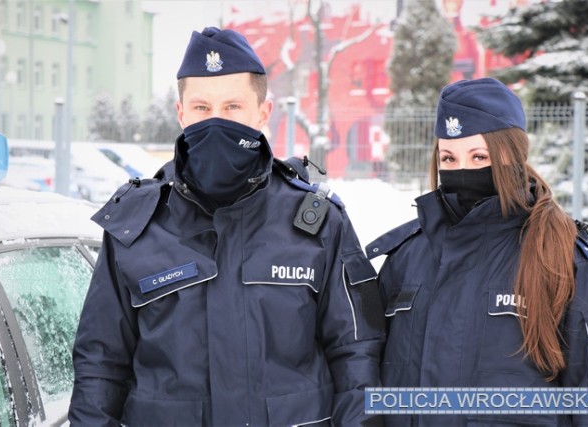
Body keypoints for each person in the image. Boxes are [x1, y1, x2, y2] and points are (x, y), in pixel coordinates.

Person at [68, 27, 385, 426]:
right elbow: (100, 364)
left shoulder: (319, 222)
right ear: (181, 112)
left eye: (232, 106)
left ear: (263, 113)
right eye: (202, 108)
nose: (216, 122)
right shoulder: (136, 229)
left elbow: (357, 355)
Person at [366, 77, 588, 426]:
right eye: (449, 158)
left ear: (513, 156)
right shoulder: (406, 257)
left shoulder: (562, 257)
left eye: (479, 156)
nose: (461, 170)